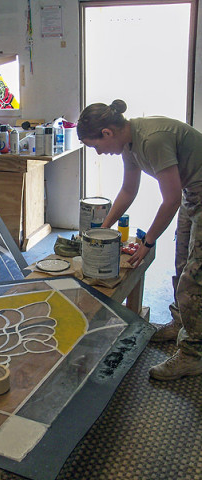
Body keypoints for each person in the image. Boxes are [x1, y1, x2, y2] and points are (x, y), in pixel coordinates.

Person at [77, 99, 202, 381]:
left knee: (195, 278)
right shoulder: (128, 144)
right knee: (182, 264)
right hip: (191, 194)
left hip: (196, 190)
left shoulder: (152, 140)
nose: (99, 152)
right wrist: (102, 230)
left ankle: (194, 355)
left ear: (107, 133)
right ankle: (180, 322)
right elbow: (128, 191)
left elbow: (169, 201)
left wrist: (147, 243)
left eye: (95, 145)